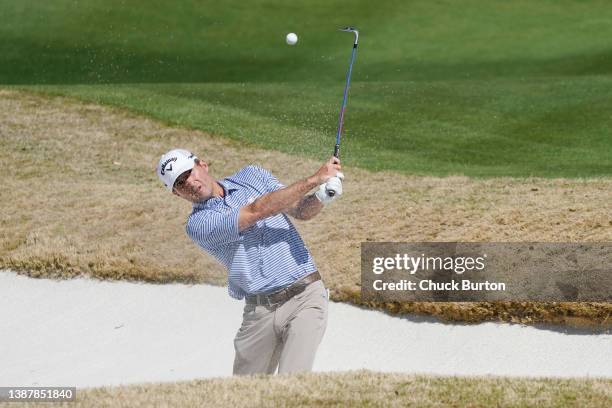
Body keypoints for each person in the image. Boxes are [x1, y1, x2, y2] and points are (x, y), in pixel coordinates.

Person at [156, 148, 344, 375]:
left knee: (293, 382)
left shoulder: (252, 175)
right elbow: (257, 211)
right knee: (246, 393)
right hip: (260, 311)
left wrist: (323, 196)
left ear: (202, 164)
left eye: (189, 173)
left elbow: (300, 210)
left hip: (306, 295)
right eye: (180, 183)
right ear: (177, 194)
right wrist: (315, 179)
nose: (190, 183)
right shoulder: (199, 225)